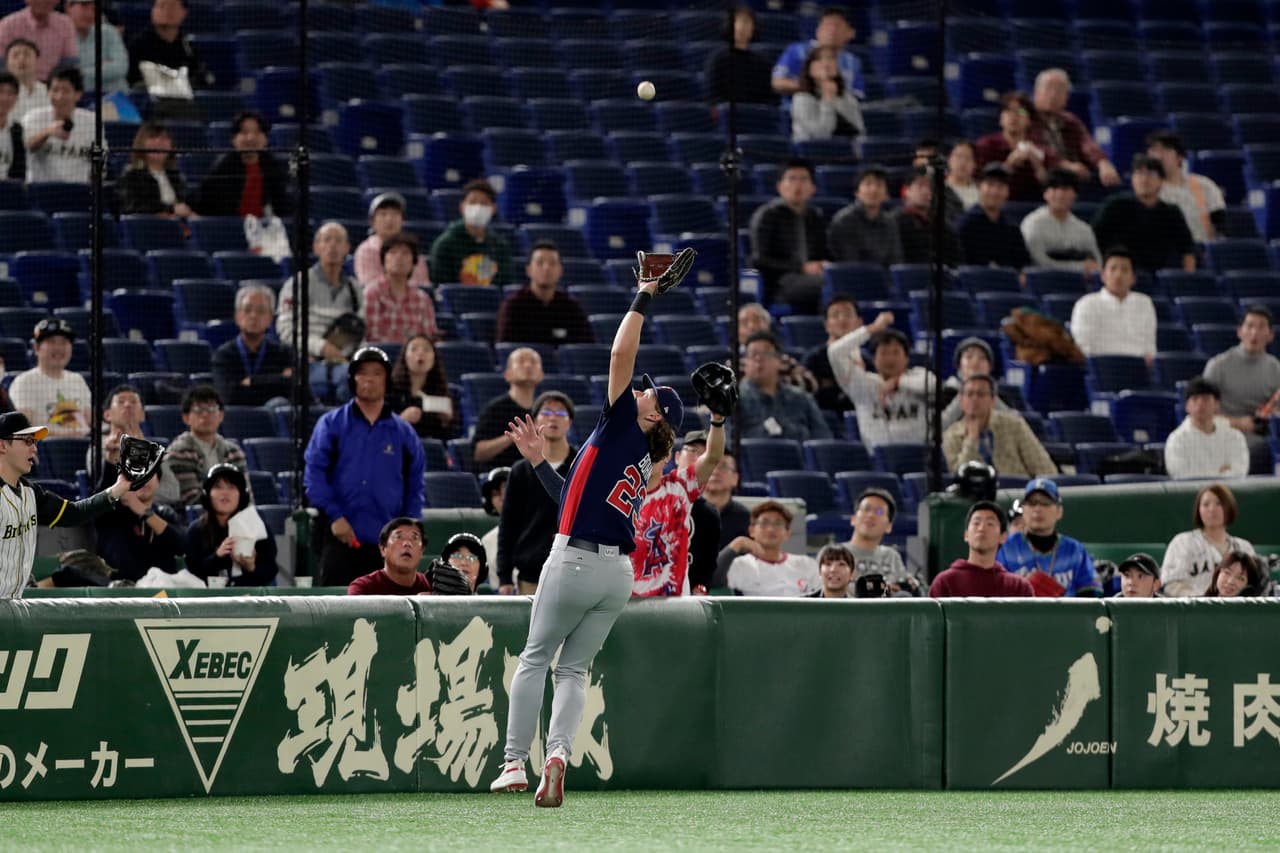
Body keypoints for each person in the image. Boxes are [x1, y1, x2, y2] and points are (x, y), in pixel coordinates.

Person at [489, 256, 688, 807]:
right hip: (614, 575)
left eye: (648, 395)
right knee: (573, 669)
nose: (639, 391)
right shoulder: (641, 455)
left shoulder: (626, 420)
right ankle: (558, 755)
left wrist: (644, 294)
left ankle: (512, 763)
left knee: (534, 658)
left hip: (574, 562)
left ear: (653, 415)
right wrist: (536, 462)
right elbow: (570, 500)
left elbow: (620, 352)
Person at [303, 346, 426, 587]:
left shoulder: (403, 432)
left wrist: (407, 530)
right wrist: (335, 516)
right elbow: (314, 476)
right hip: (338, 536)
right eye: (362, 372)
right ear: (352, 379)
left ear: (387, 380)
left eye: (377, 373)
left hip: (386, 544)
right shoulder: (331, 424)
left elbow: (415, 484)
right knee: (335, 609)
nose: (369, 379)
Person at [0, 412, 135, 599]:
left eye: (35, 442)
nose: (34, 449)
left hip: (15, 604)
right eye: (27, 441)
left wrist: (118, 488)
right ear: (2, 445)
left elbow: (74, 513)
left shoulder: (30, 493)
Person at [495, 390, 577, 595]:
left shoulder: (582, 465)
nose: (552, 418)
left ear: (570, 422)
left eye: (560, 414)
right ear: (535, 419)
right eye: (546, 412)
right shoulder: (520, 471)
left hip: (575, 573)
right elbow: (508, 525)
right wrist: (504, 576)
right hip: (531, 576)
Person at [276, 221, 363, 404]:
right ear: (316, 247)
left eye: (338, 241)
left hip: (345, 360)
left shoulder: (355, 288)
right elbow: (285, 330)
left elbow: (361, 330)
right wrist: (321, 347)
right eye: (326, 240)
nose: (332, 245)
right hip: (308, 360)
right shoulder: (297, 284)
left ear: (347, 248)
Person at [829, 323, 935, 449]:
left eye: (896, 353)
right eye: (884, 353)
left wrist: (897, 382)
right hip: (877, 462)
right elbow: (835, 352)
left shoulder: (920, 375)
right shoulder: (863, 384)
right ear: (874, 359)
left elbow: (933, 385)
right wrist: (872, 329)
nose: (890, 359)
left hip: (918, 459)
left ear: (907, 358)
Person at [995, 478, 1100, 597]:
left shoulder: (1074, 550)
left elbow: (1092, 595)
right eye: (1032, 503)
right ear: (1023, 510)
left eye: (1045, 503)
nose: (1038, 509)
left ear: (1059, 511)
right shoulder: (1006, 548)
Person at [748, 157, 828, 312]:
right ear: (779, 186)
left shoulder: (815, 217)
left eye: (804, 179)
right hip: (780, 282)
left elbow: (824, 252)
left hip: (811, 278)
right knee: (827, 285)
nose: (797, 185)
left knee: (841, 281)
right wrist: (801, 268)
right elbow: (759, 260)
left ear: (813, 188)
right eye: (791, 179)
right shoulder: (768, 215)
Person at [1091, 155, 1196, 274]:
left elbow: (1188, 250)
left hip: (1157, 275)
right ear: (1132, 179)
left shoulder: (1172, 212)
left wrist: (1187, 277)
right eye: (1139, 173)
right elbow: (1093, 240)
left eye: (1151, 174)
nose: (1144, 179)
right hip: (1119, 274)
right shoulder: (1115, 205)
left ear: (1161, 181)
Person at [943, 374, 1056, 478]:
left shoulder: (1014, 425)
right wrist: (972, 440)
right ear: (961, 401)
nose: (974, 399)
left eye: (981, 394)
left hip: (1016, 493)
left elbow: (1045, 468)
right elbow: (957, 477)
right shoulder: (951, 435)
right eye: (970, 394)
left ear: (992, 400)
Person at [1203, 305, 1280, 458]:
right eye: (1250, 326)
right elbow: (1203, 413)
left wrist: (1272, 414)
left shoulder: (1276, 368)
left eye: (1261, 327)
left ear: (1270, 335)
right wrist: (1240, 424)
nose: (1254, 333)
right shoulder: (1218, 365)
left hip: (1263, 436)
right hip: (1223, 433)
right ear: (1240, 332)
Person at [183, 463, 277, 587]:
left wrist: (251, 567)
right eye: (218, 487)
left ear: (242, 495)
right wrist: (217, 557)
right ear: (207, 495)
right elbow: (191, 574)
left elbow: (270, 570)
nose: (225, 493)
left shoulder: (257, 527)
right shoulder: (196, 531)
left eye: (231, 487)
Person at [90, 383, 181, 510]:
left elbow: (173, 492)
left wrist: (138, 497)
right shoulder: (98, 450)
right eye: (121, 402)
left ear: (143, 415)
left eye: (133, 402)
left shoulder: (154, 451)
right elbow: (105, 489)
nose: (127, 405)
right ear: (107, 415)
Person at [1029, 68, 1121, 188]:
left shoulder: (1070, 121)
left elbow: (1087, 144)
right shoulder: (1027, 119)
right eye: (1048, 88)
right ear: (1036, 92)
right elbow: (1035, 148)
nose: (1053, 95)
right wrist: (1064, 165)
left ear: (1066, 98)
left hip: (1071, 182)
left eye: (1059, 90)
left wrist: (1102, 162)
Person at [1160, 483, 1255, 598]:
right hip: (1193, 611)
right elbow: (1170, 584)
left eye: (1218, 503)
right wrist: (1202, 600)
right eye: (1205, 504)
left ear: (1229, 507)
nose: (1211, 509)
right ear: (1198, 510)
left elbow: (1254, 588)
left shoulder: (1244, 548)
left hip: (1236, 612)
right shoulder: (1182, 542)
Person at [1069, 246, 1157, 367]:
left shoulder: (1145, 303)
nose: (1118, 275)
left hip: (1138, 369)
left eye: (1125, 270)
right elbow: (1083, 348)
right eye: (1113, 269)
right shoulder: (1086, 304)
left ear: (1133, 278)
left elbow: (1149, 346)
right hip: (1102, 369)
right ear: (1103, 275)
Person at [194, 111, 293, 218]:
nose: (250, 138)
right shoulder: (224, 167)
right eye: (244, 132)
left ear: (265, 139)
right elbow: (204, 201)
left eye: (257, 132)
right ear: (234, 139)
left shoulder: (272, 167)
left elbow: (284, 207)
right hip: (230, 228)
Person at [737, 331, 831, 442]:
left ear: (779, 361)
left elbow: (823, 438)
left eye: (765, 354)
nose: (758, 359)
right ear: (745, 363)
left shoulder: (802, 398)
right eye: (752, 355)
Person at [164, 385, 248, 508]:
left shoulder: (233, 451)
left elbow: (246, 495)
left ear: (221, 415)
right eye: (198, 409)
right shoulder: (179, 452)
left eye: (211, 409)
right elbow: (192, 499)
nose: (205, 415)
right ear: (186, 418)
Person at [211, 284, 296, 408]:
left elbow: (294, 391)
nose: (253, 316)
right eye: (247, 310)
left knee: (279, 404)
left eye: (261, 311)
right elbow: (228, 397)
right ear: (237, 317)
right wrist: (277, 380)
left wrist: (250, 382)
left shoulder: (284, 354)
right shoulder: (223, 356)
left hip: (273, 422)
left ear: (270, 319)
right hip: (237, 421)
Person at [494, 240, 593, 346]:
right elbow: (506, 349)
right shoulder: (513, 306)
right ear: (529, 270)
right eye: (540, 262)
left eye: (552, 263)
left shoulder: (572, 309)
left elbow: (586, 349)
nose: (546, 268)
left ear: (560, 271)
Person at [94, 471, 186, 583]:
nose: (144, 479)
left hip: (161, 593)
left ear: (158, 481)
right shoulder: (111, 513)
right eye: (137, 474)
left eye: (150, 473)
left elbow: (182, 545)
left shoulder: (165, 514)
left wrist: (140, 508)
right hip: (123, 592)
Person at [929, 500, 1034, 597]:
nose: (981, 528)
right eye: (976, 523)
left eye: (990, 524)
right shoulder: (945, 583)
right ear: (966, 535)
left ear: (1003, 537)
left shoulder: (1019, 587)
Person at [719, 500, 820, 596]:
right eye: (764, 523)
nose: (771, 529)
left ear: (787, 533)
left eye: (778, 524)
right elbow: (710, 580)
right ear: (751, 531)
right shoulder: (740, 565)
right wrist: (738, 543)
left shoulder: (806, 564)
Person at [9, 316, 90, 436]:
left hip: (82, 449)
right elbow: (24, 429)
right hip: (43, 452)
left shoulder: (77, 380)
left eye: (64, 342)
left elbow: (90, 421)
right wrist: (68, 436)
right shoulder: (24, 382)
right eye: (51, 342)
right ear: (36, 348)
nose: (58, 348)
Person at [1164, 376, 1250, 480]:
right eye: (1195, 399)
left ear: (1216, 405)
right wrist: (1220, 473)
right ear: (1187, 406)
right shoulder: (1176, 439)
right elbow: (1180, 475)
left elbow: (1239, 472)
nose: (1200, 404)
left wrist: (1200, 474)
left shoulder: (1235, 437)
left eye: (1206, 399)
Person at [1147, 130, 1226, 244]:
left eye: (1165, 150)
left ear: (1180, 157)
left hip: (1202, 250)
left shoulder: (1204, 185)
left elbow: (1220, 225)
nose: (1158, 156)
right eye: (1154, 151)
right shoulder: (1146, 189)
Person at [429, 178, 511, 287]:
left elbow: (506, 285)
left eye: (484, 203)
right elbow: (441, 287)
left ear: (493, 209)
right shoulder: (445, 244)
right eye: (472, 202)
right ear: (462, 207)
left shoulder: (500, 247)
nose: (478, 207)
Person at [975, 91, 1054, 202]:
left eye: (1020, 111)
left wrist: (1037, 164)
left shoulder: (1040, 149)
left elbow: (1050, 189)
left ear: (1029, 120)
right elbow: (979, 184)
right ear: (1000, 119)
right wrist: (1009, 165)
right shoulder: (986, 145)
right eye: (1008, 111)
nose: (1014, 116)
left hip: (1032, 206)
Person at [1019, 167, 1101, 274]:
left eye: (1066, 189)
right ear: (1045, 193)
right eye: (1054, 188)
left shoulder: (1084, 229)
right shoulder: (1032, 224)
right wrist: (1079, 267)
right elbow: (1039, 262)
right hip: (1044, 283)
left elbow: (1097, 263)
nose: (1060, 194)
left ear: (1075, 195)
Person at [771, 5, 864, 99]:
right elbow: (778, 82)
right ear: (818, 30)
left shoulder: (852, 61)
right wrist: (812, 88)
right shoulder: (796, 50)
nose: (832, 30)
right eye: (827, 25)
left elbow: (856, 94)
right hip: (798, 108)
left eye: (837, 25)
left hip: (838, 109)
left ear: (851, 33)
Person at [472, 347, 543, 468]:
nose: (528, 365)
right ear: (507, 374)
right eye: (521, 361)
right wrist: (512, 437)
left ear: (542, 375)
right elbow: (478, 453)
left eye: (533, 362)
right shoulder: (495, 409)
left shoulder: (542, 410)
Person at [362, 233, 438, 344]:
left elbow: (428, 339)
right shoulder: (371, 294)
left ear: (413, 263)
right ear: (383, 261)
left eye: (405, 253)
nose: (399, 258)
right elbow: (370, 338)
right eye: (393, 252)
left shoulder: (422, 299)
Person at [22, 66, 93, 183]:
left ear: (78, 94)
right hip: (41, 191)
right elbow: (28, 146)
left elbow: (99, 159)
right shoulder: (32, 118)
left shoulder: (91, 122)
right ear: (48, 92)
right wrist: (47, 132)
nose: (59, 96)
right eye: (55, 90)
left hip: (79, 191)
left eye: (66, 91)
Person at [826, 165, 903, 268]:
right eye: (868, 184)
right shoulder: (844, 221)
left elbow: (896, 260)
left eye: (879, 185)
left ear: (886, 195)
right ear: (857, 192)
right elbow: (849, 262)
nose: (873, 190)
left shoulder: (890, 222)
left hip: (883, 280)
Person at [957, 163, 1032, 269]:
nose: (995, 192)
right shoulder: (966, 225)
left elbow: (1024, 264)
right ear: (979, 187)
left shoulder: (1011, 228)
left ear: (1007, 192)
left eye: (1000, 187)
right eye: (990, 185)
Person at [125, 0, 212, 91]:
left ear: (184, 13)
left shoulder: (187, 46)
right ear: (153, 11)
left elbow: (202, 78)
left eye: (171, 7)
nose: (165, 11)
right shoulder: (137, 45)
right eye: (161, 6)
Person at [387, 333, 457, 441]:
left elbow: (452, 439)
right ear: (405, 356)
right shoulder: (389, 390)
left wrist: (447, 421)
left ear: (434, 358)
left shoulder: (442, 392)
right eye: (414, 349)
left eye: (426, 350)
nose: (420, 353)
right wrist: (401, 420)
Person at [115, 121, 194, 217]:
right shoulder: (131, 176)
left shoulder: (177, 177)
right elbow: (133, 208)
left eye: (164, 138)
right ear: (141, 143)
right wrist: (171, 210)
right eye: (152, 137)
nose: (159, 142)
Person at [790, 45, 863, 147]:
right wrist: (827, 99)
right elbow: (820, 136)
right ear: (809, 68)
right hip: (812, 154)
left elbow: (860, 134)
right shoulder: (801, 99)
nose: (826, 63)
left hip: (846, 156)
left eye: (831, 58)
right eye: (819, 59)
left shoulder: (848, 99)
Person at [354, 191, 430, 288]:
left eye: (395, 214)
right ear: (372, 221)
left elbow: (424, 286)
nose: (389, 219)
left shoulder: (412, 249)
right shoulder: (366, 251)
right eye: (383, 214)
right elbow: (369, 285)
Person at [703, 5, 775, 106]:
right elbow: (712, 95)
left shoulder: (763, 63)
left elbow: (770, 98)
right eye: (736, 21)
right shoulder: (717, 59)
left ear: (753, 28)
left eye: (746, 22)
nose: (741, 27)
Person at [893, 164, 964, 266]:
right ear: (906, 190)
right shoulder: (895, 221)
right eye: (920, 185)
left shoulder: (944, 226)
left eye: (930, 187)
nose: (926, 191)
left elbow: (958, 262)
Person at [940, 336, 1012, 430]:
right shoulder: (946, 392)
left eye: (982, 358)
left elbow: (1013, 428)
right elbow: (939, 428)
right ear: (959, 365)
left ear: (989, 367)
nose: (975, 362)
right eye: (969, 357)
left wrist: (988, 393)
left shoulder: (1002, 394)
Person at [347, 517, 431, 596]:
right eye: (398, 537)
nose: (407, 543)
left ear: (422, 551)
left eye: (414, 538)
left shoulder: (432, 586)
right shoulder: (363, 588)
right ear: (383, 549)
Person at [804, 296, 859, 413]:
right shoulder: (813, 360)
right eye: (835, 315)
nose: (842, 319)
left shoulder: (867, 361)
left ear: (859, 322)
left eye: (848, 314)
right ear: (827, 325)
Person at [0, 0, 75, 83]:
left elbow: (69, 62)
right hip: (15, 85)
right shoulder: (7, 25)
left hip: (52, 87)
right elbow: (1, 63)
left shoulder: (65, 24)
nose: (43, 1)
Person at [844, 487, 909, 581]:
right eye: (866, 509)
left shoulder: (892, 557)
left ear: (889, 526)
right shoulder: (833, 553)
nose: (871, 515)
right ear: (853, 519)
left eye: (879, 512)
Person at [67, 0, 127, 94]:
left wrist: (83, 72)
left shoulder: (109, 32)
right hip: (77, 98)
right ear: (68, 8)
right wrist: (101, 66)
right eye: (84, 7)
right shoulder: (61, 36)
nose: (89, 13)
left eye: (94, 9)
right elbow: (66, 76)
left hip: (115, 96)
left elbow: (120, 68)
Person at [703, 451, 750, 554]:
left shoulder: (745, 518)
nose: (715, 472)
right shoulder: (685, 512)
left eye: (723, 467)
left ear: (735, 479)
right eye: (710, 466)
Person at [5, 38, 45, 124]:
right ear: (7, 63)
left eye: (27, 54)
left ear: (37, 61)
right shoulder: (2, 94)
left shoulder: (48, 91)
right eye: (15, 55)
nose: (21, 59)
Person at [479, 466, 508, 572]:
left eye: (507, 490)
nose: (502, 497)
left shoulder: (540, 532)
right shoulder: (488, 541)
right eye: (496, 493)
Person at [0, 71, 26, 181]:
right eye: (0, 91)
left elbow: (19, 171)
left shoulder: (17, 131)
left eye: (10, 93)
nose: (4, 98)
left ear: (16, 98)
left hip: (8, 192)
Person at [946, 140, 979, 211]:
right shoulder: (937, 189)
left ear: (974, 164)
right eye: (959, 156)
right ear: (949, 160)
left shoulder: (982, 191)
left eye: (968, 158)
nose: (963, 162)